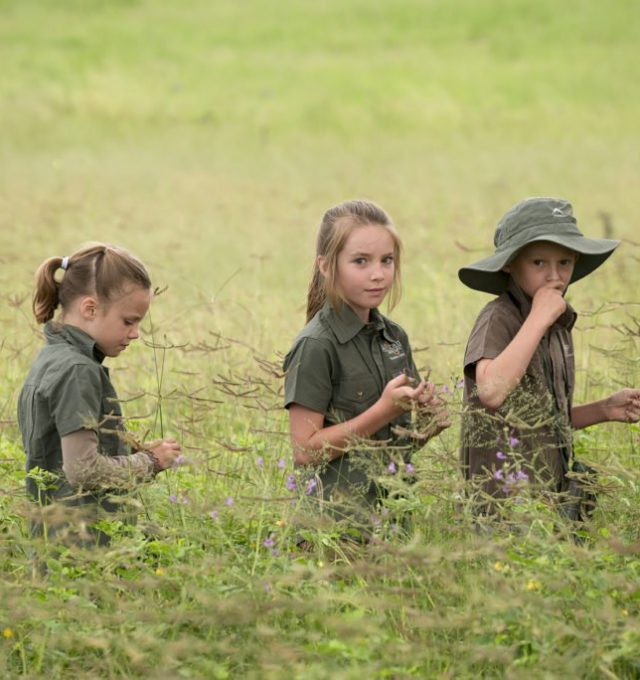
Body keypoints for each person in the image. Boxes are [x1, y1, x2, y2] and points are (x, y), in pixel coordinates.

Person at [458, 197, 640, 522]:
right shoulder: (500, 319)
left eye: (565, 263)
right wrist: (538, 319)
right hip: (504, 509)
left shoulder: (556, 325)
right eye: (538, 263)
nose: (554, 276)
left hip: (548, 500)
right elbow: (491, 391)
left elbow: (539, 421)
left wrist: (603, 409)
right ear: (510, 264)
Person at [283, 199, 450, 539]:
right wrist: (384, 410)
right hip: (335, 532)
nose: (378, 274)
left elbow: (387, 444)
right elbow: (305, 451)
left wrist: (426, 423)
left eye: (387, 260)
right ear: (327, 266)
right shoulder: (317, 345)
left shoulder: (393, 337)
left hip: (392, 521)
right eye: (361, 261)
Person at [18, 243, 182, 546]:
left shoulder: (50, 358)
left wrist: (131, 452)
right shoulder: (78, 371)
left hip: (51, 544)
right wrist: (150, 462)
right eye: (128, 321)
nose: (135, 334)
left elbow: (60, 452)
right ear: (90, 309)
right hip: (81, 550)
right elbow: (83, 469)